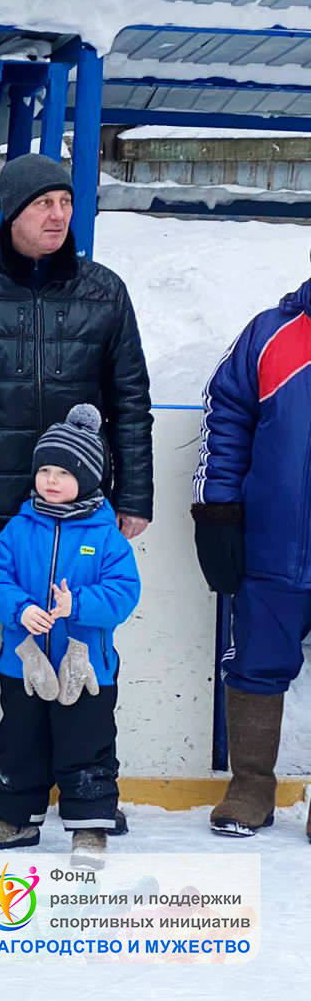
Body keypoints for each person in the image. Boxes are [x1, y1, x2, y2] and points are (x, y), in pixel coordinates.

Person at [0, 152, 153, 825]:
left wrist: (134, 496)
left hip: (79, 516)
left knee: (80, 644)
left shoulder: (105, 292)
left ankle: (84, 789)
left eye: (65, 202)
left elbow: (130, 401)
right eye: (43, 203)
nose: (58, 215)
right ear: (12, 213)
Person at [0, 404, 140, 868]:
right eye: (45, 469)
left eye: (64, 472)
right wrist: (20, 609)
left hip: (86, 671)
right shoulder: (19, 528)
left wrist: (77, 604)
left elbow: (124, 593)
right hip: (23, 665)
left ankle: (90, 827)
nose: (50, 480)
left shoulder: (106, 537)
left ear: (88, 477)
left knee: (86, 746)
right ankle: (16, 819)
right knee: (19, 744)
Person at [192, 262, 311, 842]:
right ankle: (251, 788)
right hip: (272, 545)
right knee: (257, 662)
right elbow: (226, 417)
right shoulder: (271, 333)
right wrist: (218, 511)